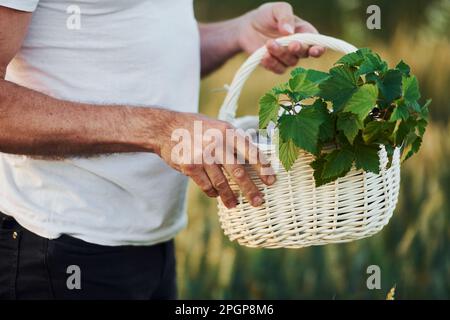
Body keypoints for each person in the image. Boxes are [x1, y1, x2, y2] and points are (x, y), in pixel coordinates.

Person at [0, 0, 324, 299]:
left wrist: (237, 33)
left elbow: (141, 46)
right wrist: (160, 130)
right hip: (60, 250)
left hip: (156, 243)